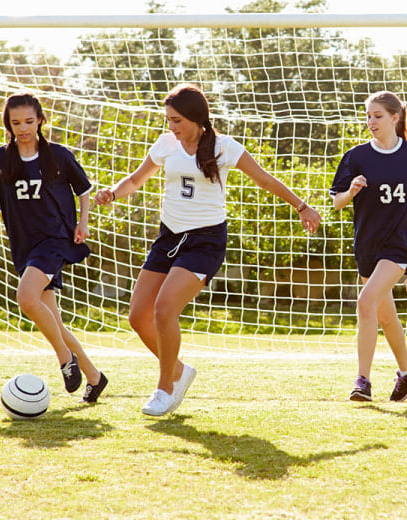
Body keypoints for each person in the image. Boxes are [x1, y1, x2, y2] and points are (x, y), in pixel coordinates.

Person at [95, 84, 321, 416]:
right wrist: (112, 192)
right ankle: (179, 371)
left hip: (205, 241)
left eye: (177, 120)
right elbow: (135, 179)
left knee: (164, 309)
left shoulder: (224, 147)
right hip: (168, 238)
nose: (172, 127)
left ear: (197, 118)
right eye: (169, 120)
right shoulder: (166, 144)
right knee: (137, 316)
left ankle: (165, 389)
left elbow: (265, 179)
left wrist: (302, 207)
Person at [0, 92, 108, 403]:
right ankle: (95, 377)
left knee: (26, 298)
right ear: (9, 124)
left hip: (55, 240)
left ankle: (65, 360)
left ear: (40, 120)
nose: (23, 127)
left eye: (29, 121)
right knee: (52, 318)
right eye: (16, 122)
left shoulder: (57, 155)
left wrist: (83, 224)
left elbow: (84, 190)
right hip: (24, 247)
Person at [330, 90, 407, 403]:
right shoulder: (357, 156)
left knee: (365, 302)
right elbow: (336, 202)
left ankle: (362, 381)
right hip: (367, 246)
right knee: (385, 317)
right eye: (368, 116)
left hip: (399, 246)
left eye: (377, 116)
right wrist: (351, 191)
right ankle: (405, 373)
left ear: (394, 118)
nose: (371, 122)